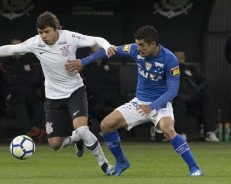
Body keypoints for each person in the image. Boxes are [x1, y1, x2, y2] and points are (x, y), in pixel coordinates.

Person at [0, 11, 115, 174]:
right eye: (40, 32)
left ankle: (104, 164)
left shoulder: (69, 37)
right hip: (53, 98)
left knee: (82, 128)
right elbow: (11, 49)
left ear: (56, 29)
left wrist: (107, 45)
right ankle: (76, 138)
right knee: (55, 144)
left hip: (75, 91)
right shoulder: (35, 43)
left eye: (47, 32)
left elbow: (96, 39)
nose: (44, 36)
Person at [65, 25, 203, 177]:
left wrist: (152, 106)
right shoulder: (134, 49)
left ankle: (194, 168)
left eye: (142, 45)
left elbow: (172, 91)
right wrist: (84, 61)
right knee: (106, 126)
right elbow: (110, 50)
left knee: (168, 130)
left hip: (160, 103)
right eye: (137, 44)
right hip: (139, 102)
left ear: (153, 44)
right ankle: (122, 161)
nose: (138, 48)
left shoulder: (170, 59)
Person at [0, 38, 46, 142]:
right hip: (14, 95)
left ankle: (33, 130)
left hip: (30, 94)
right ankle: (30, 134)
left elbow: (36, 79)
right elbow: (9, 80)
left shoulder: (30, 62)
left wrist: (17, 76)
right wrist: (25, 77)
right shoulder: (5, 64)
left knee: (40, 106)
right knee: (21, 108)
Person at [172, 47, 219, 142]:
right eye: (179, 57)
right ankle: (181, 133)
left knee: (208, 97)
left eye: (183, 56)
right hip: (178, 97)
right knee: (178, 100)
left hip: (193, 97)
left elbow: (205, 82)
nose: (182, 58)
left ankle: (209, 132)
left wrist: (197, 89)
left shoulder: (191, 69)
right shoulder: (169, 70)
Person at [83, 45, 123, 122]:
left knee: (124, 108)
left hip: (112, 95)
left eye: (99, 53)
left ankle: (117, 131)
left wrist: (97, 76)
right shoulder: (86, 68)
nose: (96, 55)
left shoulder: (110, 66)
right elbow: (89, 84)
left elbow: (116, 80)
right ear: (89, 54)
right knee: (96, 110)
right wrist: (105, 75)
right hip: (95, 97)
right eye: (94, 53)